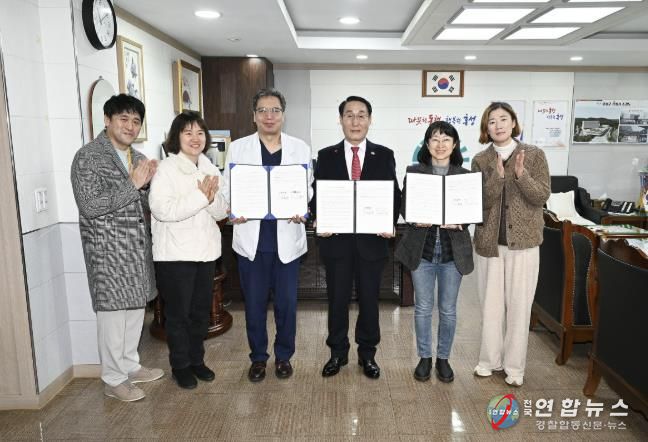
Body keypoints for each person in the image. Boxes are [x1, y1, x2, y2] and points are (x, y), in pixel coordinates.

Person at [70, 94, 163, 402]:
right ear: (107, 120)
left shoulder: (138, 157)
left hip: (136, 249)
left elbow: (142, 204)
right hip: (108, 252)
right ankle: (113, 379)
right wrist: (133, 185)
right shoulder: (88, 157)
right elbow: (90, 206)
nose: (130, 126)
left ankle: (130, 366)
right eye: (124, 119)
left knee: (135, 312)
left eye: (136, 121)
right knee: (112, 318)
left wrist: (148, 185)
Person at [221, 88, 313, 382]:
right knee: (255, 306)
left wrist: (302, 206)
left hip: (287, 240)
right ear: (254, 116)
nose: (269, 116)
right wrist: (233, 209)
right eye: (262, 110)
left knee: (287, 305)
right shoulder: (238, 148)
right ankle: (258, 358)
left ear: (283, 115)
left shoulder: (300, 148)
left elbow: (307, 187)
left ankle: (284, 356)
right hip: (252, 242)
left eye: (275, 110)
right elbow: (228, 187)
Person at [312, 96, 401, 379]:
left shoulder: (383, 154)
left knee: (369, 301)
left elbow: (394, 195)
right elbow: (317, 195)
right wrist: (319, 218)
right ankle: (337, 353)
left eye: (361, 115)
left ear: (370, 120)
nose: (355, 121)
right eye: (349, 115)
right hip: (336, 241)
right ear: (340, 120)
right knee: (336, 301)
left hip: (371, 241)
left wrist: (389, 222)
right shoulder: (326, 155)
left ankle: (368, 355)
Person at [471, 102, 550, 387]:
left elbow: (541, 196)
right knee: (490, 307)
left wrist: (520, 175)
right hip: (489, 245)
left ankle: (515, 368)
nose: (498, 125)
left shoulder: (535, 155)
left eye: (503, 119)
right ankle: (489, 361)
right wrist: (498, 178)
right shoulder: (480, 160)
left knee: (519, 308)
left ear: (514, 122)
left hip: (524, 245)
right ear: (486, 127)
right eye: (492, 121)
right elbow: (479, 203)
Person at [149, 111, 228, 389]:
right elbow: (163, 210)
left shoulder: (210, 168)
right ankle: (180, 365)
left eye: (200, 133)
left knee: (199, 313)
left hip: (205, 253)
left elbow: (221, 211)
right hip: (175, 255)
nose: (195, 138)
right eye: (188, 132)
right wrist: (201, 196)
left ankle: (197, 360)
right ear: (177, 137)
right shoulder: (166, 169)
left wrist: (212, 198)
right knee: (178, 315)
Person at [395, 121, 474, 383]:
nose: (440, 145)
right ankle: (424, 357)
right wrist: (415, 217)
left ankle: (443, 358)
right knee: (423, 308)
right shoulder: (415, 172)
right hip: (423, 251)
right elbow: (405, 207)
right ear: (427, 144)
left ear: (454, 144)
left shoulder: (464, 176)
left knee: (448, 309)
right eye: (435, 139)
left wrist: (462, 221)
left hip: (453, 253)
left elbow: (473, 210)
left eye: (446, 140)